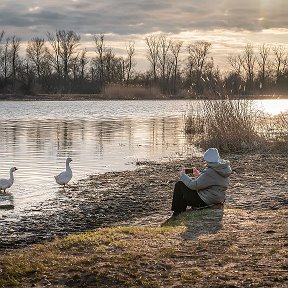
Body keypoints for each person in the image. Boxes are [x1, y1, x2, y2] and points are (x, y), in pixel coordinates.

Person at [171, 148, 232, 217]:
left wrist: (183, 176)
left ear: (208, 160)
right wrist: (199, 175)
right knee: (186, 186)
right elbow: (211, 181)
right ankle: (180, 211)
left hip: (207, 201)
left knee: (180, 185)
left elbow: (194, 185)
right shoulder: (222, 169)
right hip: (217, 199)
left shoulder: (210, 172)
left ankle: (177, 213)